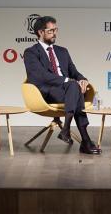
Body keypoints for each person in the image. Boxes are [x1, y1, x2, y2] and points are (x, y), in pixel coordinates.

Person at [23, 16, 101, 155]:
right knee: (73, 87)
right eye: (51, 30)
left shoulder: (62, 51)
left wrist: (82, 79)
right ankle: (85, 140)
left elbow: (74, 72)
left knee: (74, 87)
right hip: (47, 92)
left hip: (67, 91)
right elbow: (40, 76)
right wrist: (67, 81)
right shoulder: (31, 52)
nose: (55, 33)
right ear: (40, 32)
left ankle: (66, 130)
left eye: (56, 29)